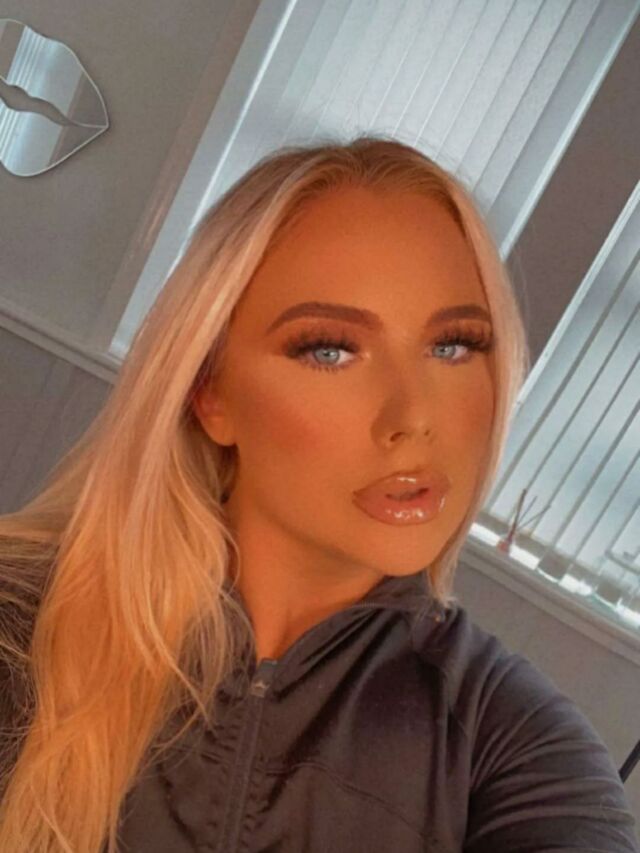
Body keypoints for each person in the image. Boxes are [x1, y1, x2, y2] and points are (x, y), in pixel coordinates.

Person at [0, 135, 636, 853]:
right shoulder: (20, 622)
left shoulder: (515, 745)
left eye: (453, 345)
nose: (414, 417)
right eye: (330, 350)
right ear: (211, 393)